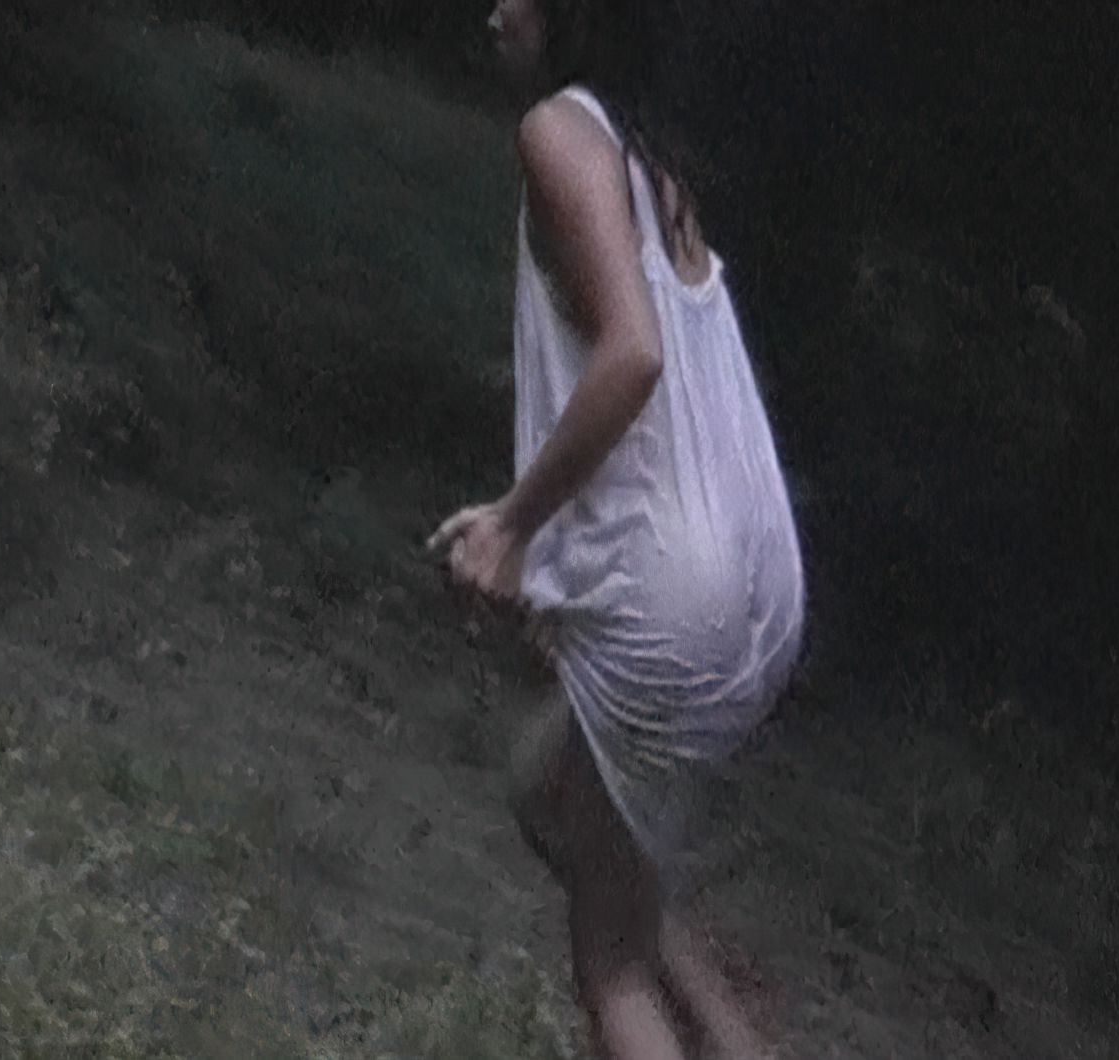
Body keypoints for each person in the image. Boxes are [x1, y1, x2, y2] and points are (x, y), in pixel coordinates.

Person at [426, 1, 807, 1056]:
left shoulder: (558, 132)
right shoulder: (649, 155)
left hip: (679, 584)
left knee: (612, 967)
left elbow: (633, 355)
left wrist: (513, 526)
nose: (493, 9)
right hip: (757, 574)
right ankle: (738, 1039)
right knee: (554, 793)